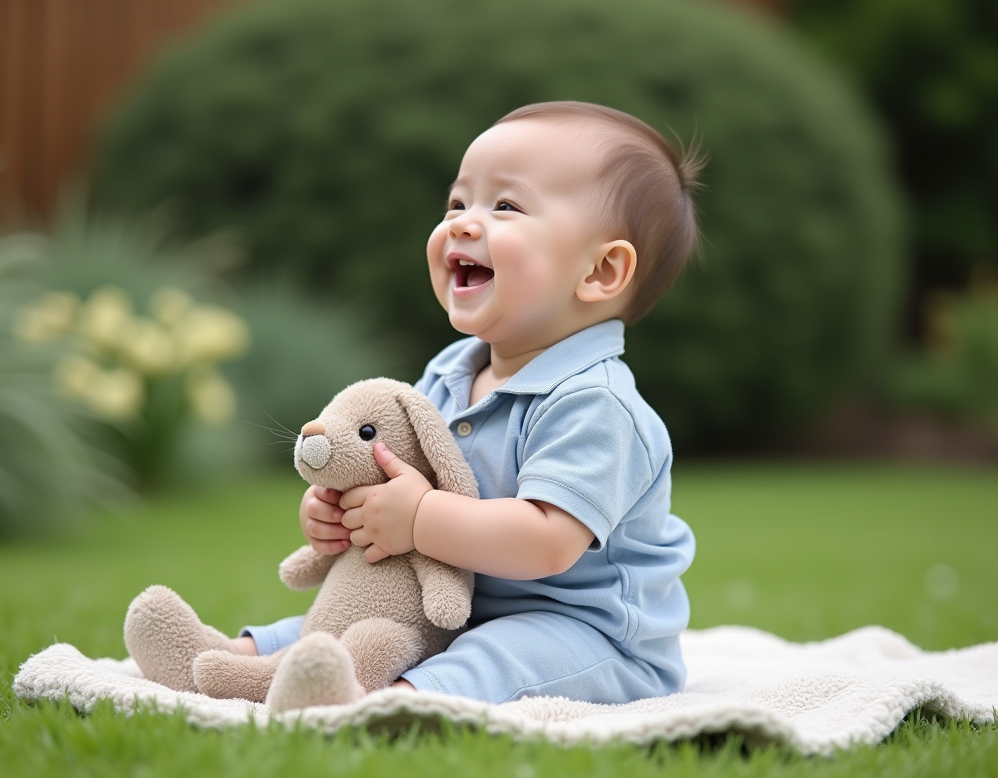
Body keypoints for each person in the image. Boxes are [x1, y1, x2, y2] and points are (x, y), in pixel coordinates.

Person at [235, 100, 703, 704]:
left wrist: (418, 518)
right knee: (352, 617)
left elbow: (546, 542)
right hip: (451, 608)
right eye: (457, 203)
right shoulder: (450, 373)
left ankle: (397, 698)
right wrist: (338, 512)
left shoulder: (596, 406)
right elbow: (394, 474)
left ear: (601, 270)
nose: (461, 223)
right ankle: (241, 659)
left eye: (505, 206)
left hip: (585, 633)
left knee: (499, 654)